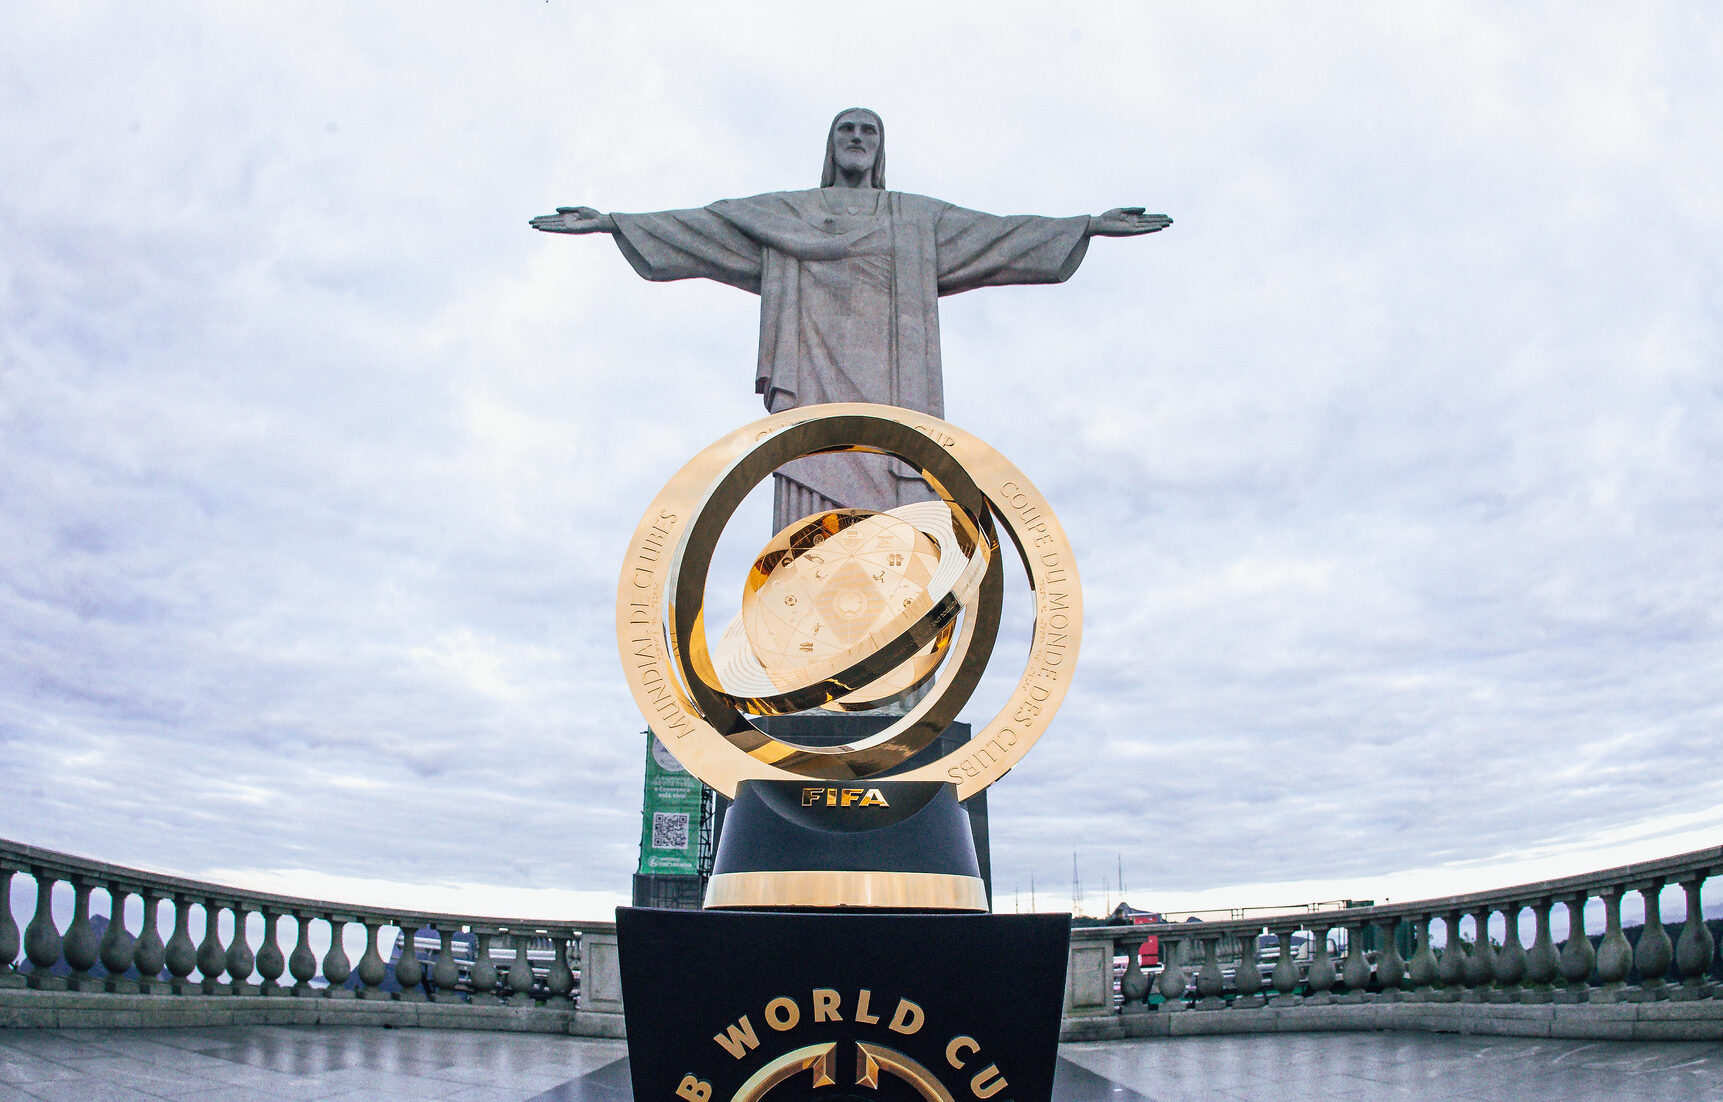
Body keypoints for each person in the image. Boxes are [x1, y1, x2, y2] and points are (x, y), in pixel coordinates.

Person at [531, 108, 1171, 526]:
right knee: (812, 514)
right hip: (812, 388)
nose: (858, 139)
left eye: (870, 131)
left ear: (881, 148)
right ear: (831, 146)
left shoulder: (915, 218)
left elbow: (998, 235)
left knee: (895, 531)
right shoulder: (787, 215)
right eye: (847, 130)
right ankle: (802, 669)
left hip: (894, 395)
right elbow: (708, 225)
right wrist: (616, 221)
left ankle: (890, 674)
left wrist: (1084, 225)